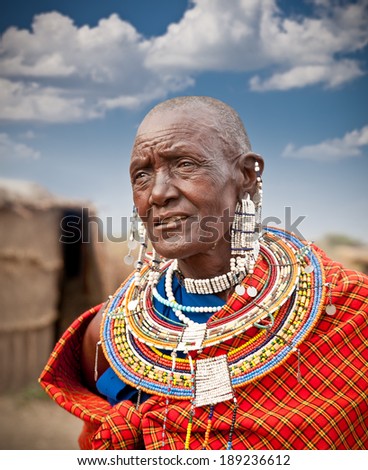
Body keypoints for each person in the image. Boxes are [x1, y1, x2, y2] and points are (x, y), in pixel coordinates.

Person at [39, 96, 368, 450]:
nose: (158, 194)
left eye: (184, 164)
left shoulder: (346, 312)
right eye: (142, 175)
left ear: (246, 175)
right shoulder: (109, 335)